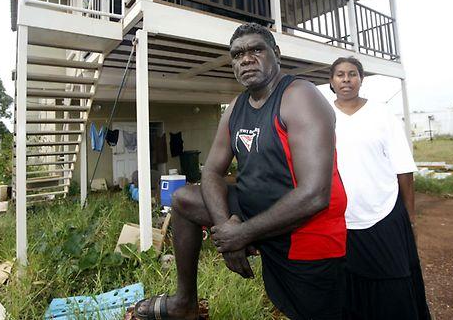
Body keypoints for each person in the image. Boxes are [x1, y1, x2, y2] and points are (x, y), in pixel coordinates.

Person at [132, 23, 348, 320]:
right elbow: (211, 173)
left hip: (305, 230)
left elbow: (315, 195)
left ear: (276, 54)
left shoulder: (300, 96)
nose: (246, 59)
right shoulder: (235, 107)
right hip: (250, 214)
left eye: (256, 50)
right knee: (184, 200)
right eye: (237, 54)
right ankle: (185, 304)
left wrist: (242, 233)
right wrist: (226, 232)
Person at [325, 57, 431, 320]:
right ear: (331, 81)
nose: (346, 79)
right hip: (340, 218)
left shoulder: (382, 113)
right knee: (348, 286)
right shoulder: (323, 117)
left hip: (383, 212)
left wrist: (411, 217)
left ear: (361, 79)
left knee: (393, 280)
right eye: (340, 75)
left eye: (352, 74)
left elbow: (403, 168)